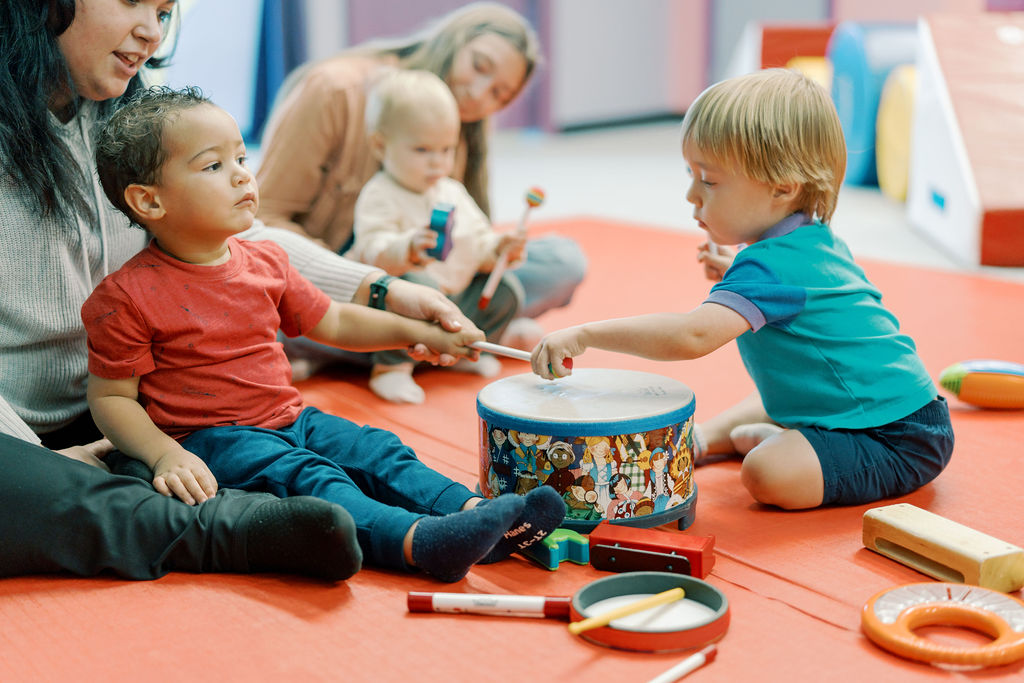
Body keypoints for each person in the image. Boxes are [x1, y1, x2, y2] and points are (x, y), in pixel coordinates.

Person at [0, 0, 483, 581]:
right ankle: (238, 528)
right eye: (133, 2)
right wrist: (38, 459)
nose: (151, 33)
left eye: (163, 11)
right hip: (38, 431)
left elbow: (242, 242)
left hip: (134, 408)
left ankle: (441, 511)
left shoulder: (131, 102)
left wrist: (384, 290)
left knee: (349, 441)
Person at [82, 86, 566, 583]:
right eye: (213, 166)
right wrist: (166, 453)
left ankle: (473, 513)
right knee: (315, 479)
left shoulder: (266, 261)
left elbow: (334, 321)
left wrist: (421, 332)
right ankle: (417, 543)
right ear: (149, 200)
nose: (242, 174)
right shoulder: (125, 297)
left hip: (289, 416)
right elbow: (112, 398)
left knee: (377, 449)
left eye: (242, 157)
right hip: (211, 439)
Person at [530, 69, 954, 511]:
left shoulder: (771, 268)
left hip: (897, 437)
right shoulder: (804, 242)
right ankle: (715, 438)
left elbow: (691, 336)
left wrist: (586, 335)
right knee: (778, 394)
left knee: (766, 474)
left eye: (709, 181)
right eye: (691, 175)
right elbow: (797, 300)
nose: (692, 195)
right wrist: (737, 272)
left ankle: (785, 443)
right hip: (875, 409)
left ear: (782, 188)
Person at [256, 2, 587, 360]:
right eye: (478, 66)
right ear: (454, 40)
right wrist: (364, 282)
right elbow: (263, 221)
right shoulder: (337, 90)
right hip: (340, 279)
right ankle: (420, 343)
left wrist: (495, 250)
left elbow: (457, 246)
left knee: (561, 262)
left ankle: (407, 345)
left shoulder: (459, 129)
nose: (478, 93)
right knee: (276, 305)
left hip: (423, 284)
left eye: (498, 95)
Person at [346, 69, 526, 403]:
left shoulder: (451, 191)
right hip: (397, 309)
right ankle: (389, 369)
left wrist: (499, 250)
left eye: (447, 150)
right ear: (380, 145)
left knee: (507, 290)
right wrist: (406, 249)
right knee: (418, 285)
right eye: (423, 150)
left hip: (451, 301)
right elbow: (371, 251)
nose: (437, 163)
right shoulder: (379, 194)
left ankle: (461, 351)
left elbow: (478, 240)